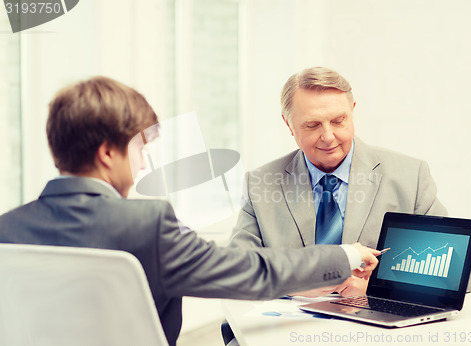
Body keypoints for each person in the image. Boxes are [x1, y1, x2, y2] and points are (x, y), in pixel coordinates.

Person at [0, 76, 380, 346]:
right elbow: (252, 272)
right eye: (139, 151)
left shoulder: (7, 229)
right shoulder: (146, 225)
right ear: (107, 153)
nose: (144, 166)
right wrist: (346, 255)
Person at [229, 67, 471, 297]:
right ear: (288, 124)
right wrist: (298, 284)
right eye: (313, 125)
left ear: (352, 112)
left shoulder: (410, 177)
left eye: (338, 121)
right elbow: (235, 273)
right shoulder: (260, 183)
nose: (328, 136)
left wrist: (376, 288)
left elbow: (463, 276)